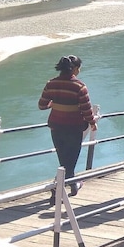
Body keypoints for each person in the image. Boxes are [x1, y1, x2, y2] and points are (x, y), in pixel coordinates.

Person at [38, 55, 96, 203]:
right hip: (74, 127)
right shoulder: (80, 87)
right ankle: (58, 190)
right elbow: (86, 109)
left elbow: (42, 105)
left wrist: (55, 105)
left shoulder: (51, 84)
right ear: (74, 69)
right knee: (69, 161)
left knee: (64, 159)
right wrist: (92, 123)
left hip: (56, 127)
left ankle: (69, 186)